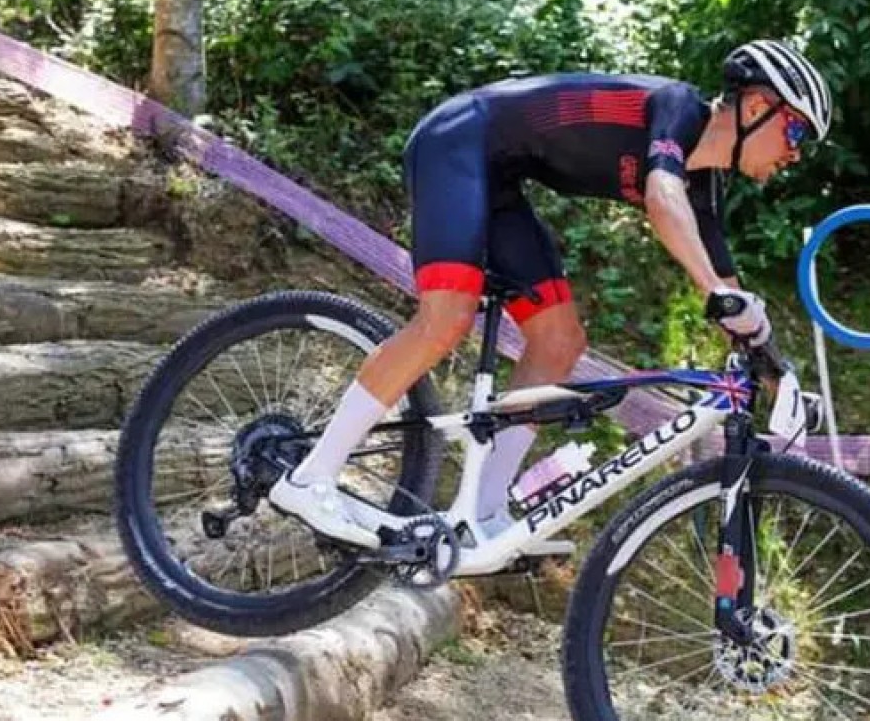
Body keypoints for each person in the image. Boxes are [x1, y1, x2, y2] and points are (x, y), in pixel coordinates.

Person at [268, 40, 833, 550]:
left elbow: (730, 294)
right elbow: (662, 197)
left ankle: (480, 514)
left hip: (501, 179)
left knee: (559, 342)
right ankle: (312, 475)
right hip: (457, 141)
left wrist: (778, 373)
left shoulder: (703, 185)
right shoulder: (679, 107)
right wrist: (717, 293)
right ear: (755, 108)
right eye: (797, 132)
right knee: (446, 319)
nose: (796, 153)